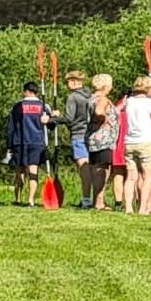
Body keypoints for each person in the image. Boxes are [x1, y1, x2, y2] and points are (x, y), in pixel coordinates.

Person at [116, 73, 151, 214]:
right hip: (147, 141)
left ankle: (128, 208)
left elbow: (117, 110)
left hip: (130, 141)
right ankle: (143, 208)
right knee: (148, 176)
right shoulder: (150, 103)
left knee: (131, 177)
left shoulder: (129, 101)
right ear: (148, 88)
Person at [5, 83, 50, 206]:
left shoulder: (18, 106)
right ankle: (31, 200)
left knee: (19, 170)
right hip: (37, 142)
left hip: (20, 141)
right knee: (33, 169)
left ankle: (18, 199)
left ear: (26, 91)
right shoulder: (44, 106)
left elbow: (11, 127)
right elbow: (51, 125)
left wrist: (9, 145)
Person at [60, 70, 97, 207]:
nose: (67, 85)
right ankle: (95, 199)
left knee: (83, 167)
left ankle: (86, 200)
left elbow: (70, 119)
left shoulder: (73, 97)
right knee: (93, 167)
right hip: (92, 135)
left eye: (68, 82)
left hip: (78, 134)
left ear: (74, 81)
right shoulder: (90, 96)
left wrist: (55, 118)